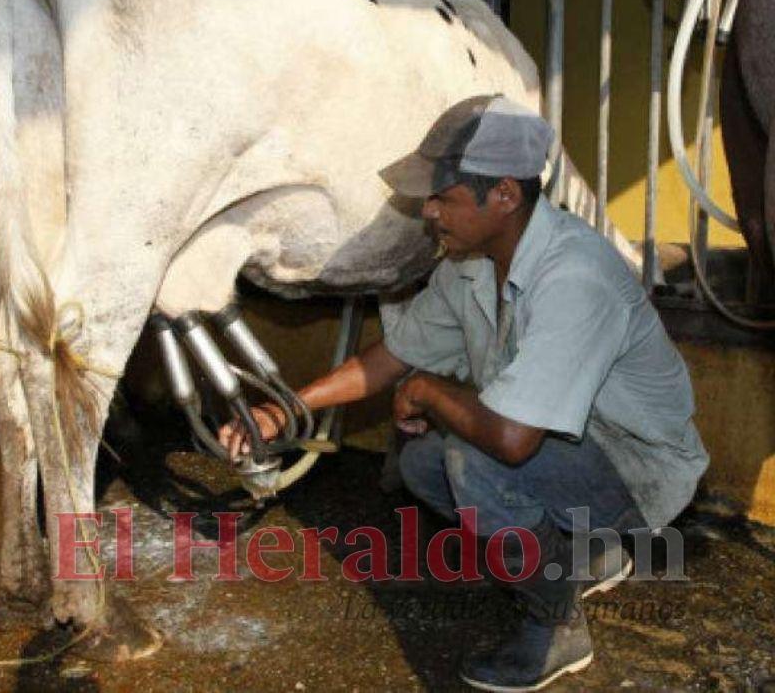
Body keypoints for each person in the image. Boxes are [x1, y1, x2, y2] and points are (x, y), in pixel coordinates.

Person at [219, 94, 709, 692]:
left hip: (639, 472)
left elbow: (511, 439)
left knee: (473, 460)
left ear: (503, 195)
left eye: (444, 197)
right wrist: (285, 410)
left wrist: (428, 391)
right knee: (425, 462)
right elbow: (391, 358)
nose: (428, 210)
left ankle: (556, 624)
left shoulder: (574, 276)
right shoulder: (472, 263)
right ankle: (582, 553)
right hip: (574, 453)